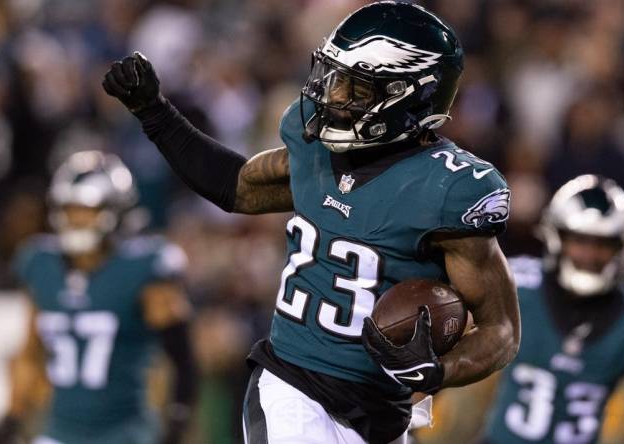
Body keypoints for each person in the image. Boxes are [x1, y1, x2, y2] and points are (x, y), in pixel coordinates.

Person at [103, 2, 521, 443]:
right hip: (293, 387)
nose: (335, 96)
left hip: (384, 411)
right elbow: (237, 187)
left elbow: (501, 329)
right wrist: (155, 112)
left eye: (357, 88)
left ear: (411, 95)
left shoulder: (449, 190)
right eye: (335, 77)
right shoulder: (316, 148)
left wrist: (439, 370)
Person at [429, 175, 624, 444]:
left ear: (622, 247)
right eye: (580, 240)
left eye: (602, 243)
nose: (589, 255)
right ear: (557, 237)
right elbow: (446, 364)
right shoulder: (519, 289)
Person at [0, 151, 197, 444]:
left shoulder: (144, 267)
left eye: (88, 209)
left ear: (117, 211)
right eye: (70, 208)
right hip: (59, 432)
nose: (77, 219)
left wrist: (177, 418)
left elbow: (181, 359)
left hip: (125, 433)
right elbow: (31, 352)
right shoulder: (40, 263)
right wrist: (13, 413)